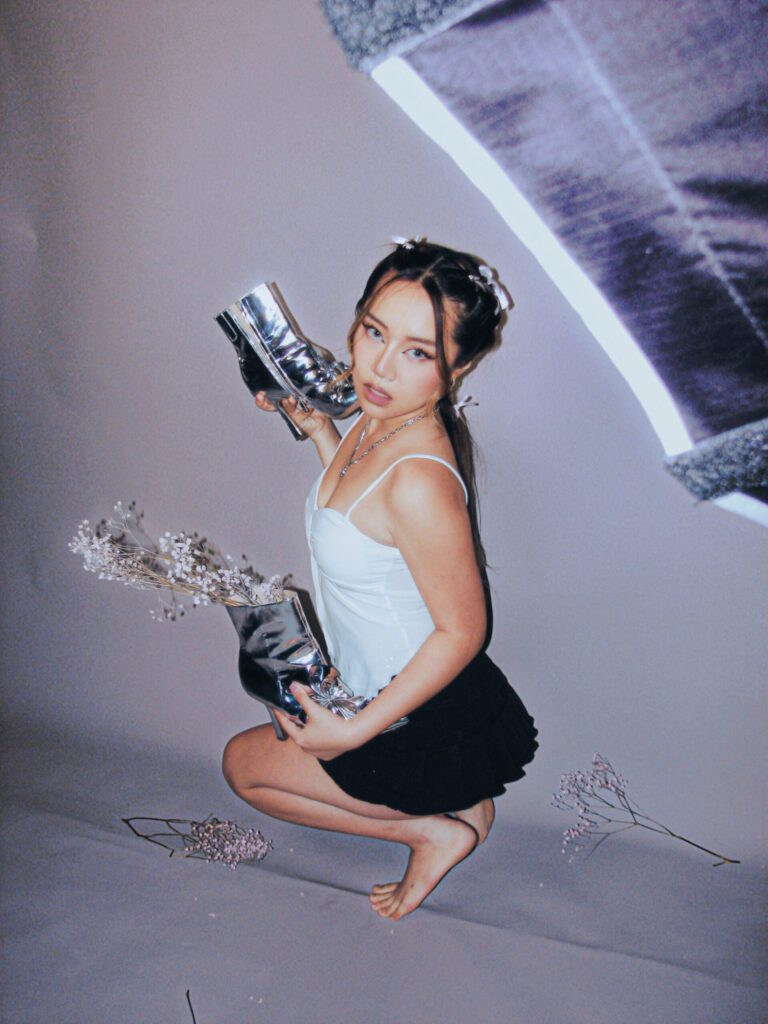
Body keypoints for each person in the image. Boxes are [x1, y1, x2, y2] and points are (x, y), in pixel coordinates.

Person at [222, 238, 538, 920]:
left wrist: (353, 733)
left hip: (407, 713)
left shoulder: (419, 479)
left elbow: (464, 632)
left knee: (241, 768)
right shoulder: (381, 419)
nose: (381, 366)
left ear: (460, 366)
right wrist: (319, 432)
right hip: (389, 690)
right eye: (374, 331)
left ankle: (429, 831)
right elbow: (363, 523)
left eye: (418, 352)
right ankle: (462, 807)